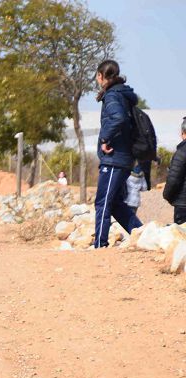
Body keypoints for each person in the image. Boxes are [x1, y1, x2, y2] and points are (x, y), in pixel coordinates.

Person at [92, 60, 143, 248]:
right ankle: (142, 234)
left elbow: (118, 118)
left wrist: (105, 139)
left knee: (103, 202)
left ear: (100, 75)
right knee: (114, 204)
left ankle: (100, 244)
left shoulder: (113, 95)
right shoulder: (120, 93)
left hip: (115, 158)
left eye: (97, 76)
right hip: (123, 157)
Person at [162, 117, 186, 225]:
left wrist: (167, 196)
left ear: (183, 133)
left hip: (183, 205)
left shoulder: (182, 152)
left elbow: (173, 179)